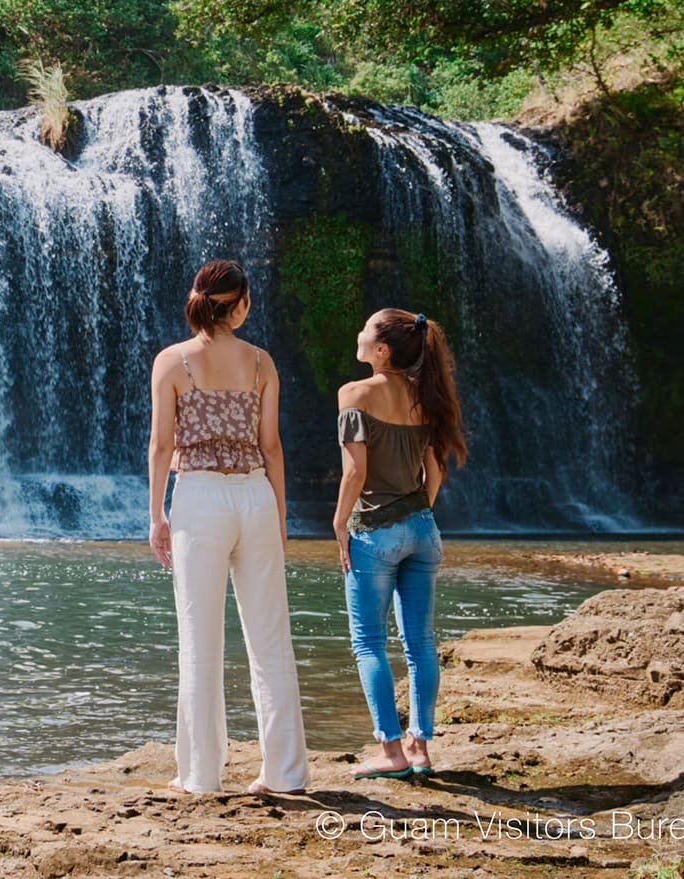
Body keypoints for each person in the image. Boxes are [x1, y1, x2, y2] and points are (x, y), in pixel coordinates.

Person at [147, 259, 309, 795]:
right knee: (270, 638)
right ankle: (285, 773)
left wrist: (156, 515)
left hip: (198, 498)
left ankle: (201, 775)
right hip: (256, 496)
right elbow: (272, 447)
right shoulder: (262, 363)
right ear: (238, 305)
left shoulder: (173, 362)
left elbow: (161, 446)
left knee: (199, 637)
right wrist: (280, 515)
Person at [332, 308, 467, 779]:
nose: (358, 333)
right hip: (423, 530)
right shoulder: (425, 396)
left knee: (369, 643)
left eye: (365, 329)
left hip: (375, 534)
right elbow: (436, 471)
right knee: (421, 644)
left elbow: (356, 472)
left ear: (382, 349)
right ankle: (421, 747)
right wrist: (419, 513)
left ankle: (391, 752)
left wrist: (339, 523)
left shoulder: (354, 394)